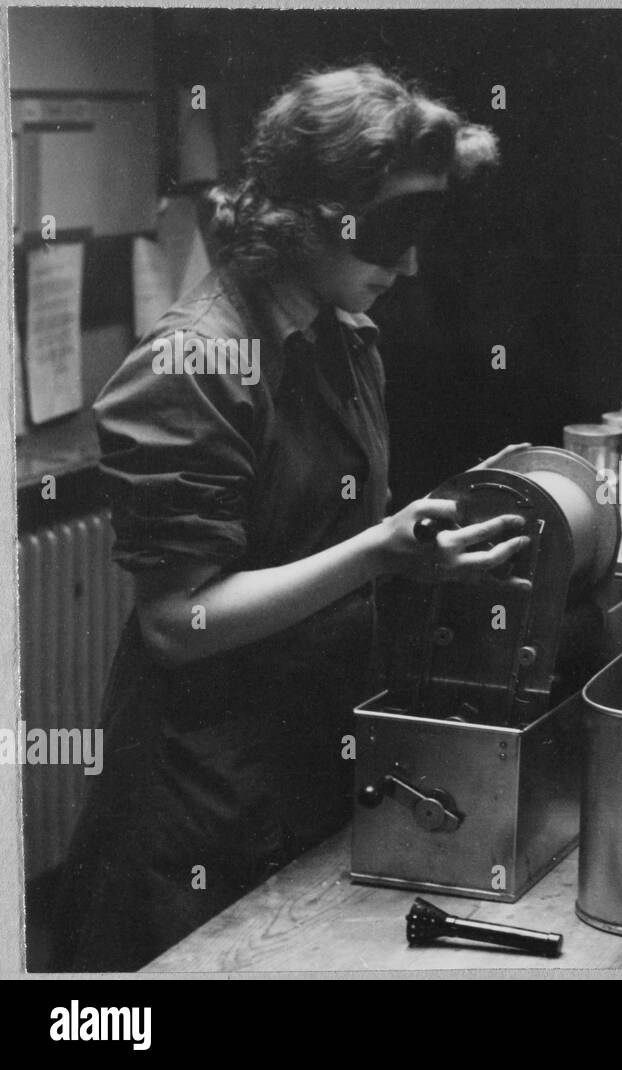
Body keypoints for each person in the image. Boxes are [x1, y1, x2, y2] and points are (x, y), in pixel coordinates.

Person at [51, 65, 530, 971]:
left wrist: (416, 559)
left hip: (305, 767)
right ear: (305, 216)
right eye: (390, 231)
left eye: (423, 230)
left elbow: (334, 551)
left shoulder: (344, 337)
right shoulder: (196, 365)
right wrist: (378, 553)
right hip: (196, 811)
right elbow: (176, 622)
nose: (410, 264)